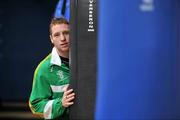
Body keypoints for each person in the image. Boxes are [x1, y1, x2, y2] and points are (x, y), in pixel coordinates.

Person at [29, 17, 75, 120]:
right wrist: (60, 104)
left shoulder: (86, 61)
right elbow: (35, 106)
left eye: (66, 33)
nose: (62, 38)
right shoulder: (44, 69)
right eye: (57, 35)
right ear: (51, 39)